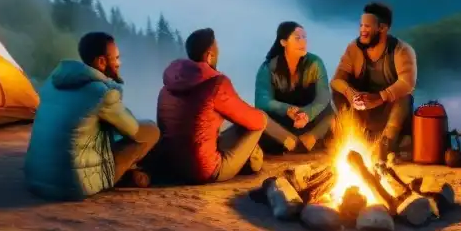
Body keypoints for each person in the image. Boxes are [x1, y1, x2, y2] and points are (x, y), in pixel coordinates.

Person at [24, 32, 160, 201]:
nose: (119, 63)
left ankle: (127, 173)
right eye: (116, 58)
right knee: (150, 130)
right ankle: (126, 174)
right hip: (72, 185)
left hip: (37, 178)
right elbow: (133, 129)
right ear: (101, 61)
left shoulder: (53, 83)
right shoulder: (102, 92)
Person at [154, 28, 268, 184]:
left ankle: (252, 157)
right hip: (204, 170)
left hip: (172, 165)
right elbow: (256, 121)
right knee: (260, 120)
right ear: (209, 56)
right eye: (217, 50)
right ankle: (254, 161)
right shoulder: (215, 84)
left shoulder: (167, 87)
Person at [330, 1, 417, 160]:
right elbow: (336, 80)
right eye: (361, 25)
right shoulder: (354, 48)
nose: (362, 30)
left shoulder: (401, 50)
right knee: (338, 92)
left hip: (388, 113)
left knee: (405, 97)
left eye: (367, 26)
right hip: (362, 112)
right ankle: (355, 136)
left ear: (382, 28)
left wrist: (380, 97)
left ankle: (387, 142)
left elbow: (407, 83)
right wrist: (351, 94)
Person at [254, 21, 334, 153]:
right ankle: (290, 141)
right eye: (297, 38)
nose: (303, 42)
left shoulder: (315, 63)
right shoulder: (268, 68)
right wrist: (287, 110)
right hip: (284, 123)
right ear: (283, 42)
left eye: (304, 38)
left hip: (309, 120)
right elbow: (262, 101)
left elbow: (323, 96)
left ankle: (310, 138)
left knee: (330, 113)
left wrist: (307, 114)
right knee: (259, 116)